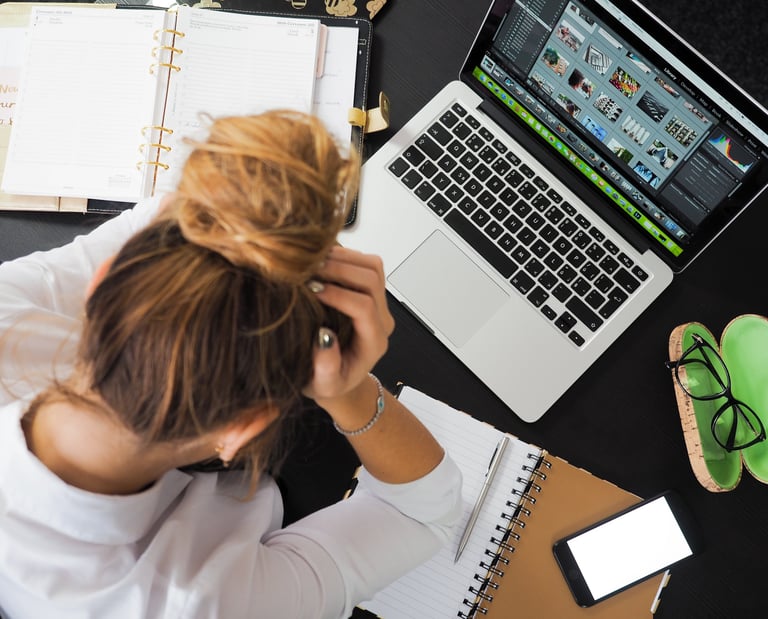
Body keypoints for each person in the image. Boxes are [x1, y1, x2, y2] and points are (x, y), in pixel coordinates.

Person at [0, 111, 463, 618]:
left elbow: (164, 216)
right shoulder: (205, 606)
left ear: (101, 282)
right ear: (243, 430)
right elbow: (421, 514)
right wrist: (349, 393)